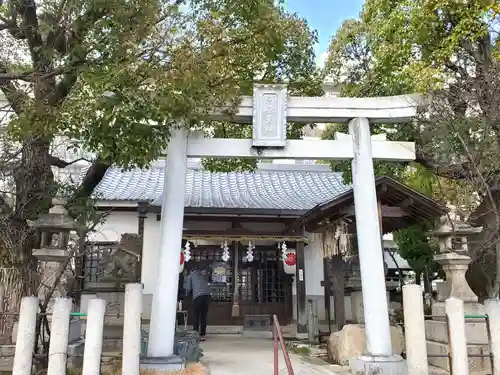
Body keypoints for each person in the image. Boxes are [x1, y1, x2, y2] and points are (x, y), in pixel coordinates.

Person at [184, 262, 212, 341]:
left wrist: (186, 294)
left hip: (198, 297)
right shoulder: (202, 275)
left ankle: (195, 334)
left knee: (196, 316)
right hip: (207, 296)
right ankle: (203, 334)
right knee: (203, 316)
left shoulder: (190, 276)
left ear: (191, 271)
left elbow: (188, 289)